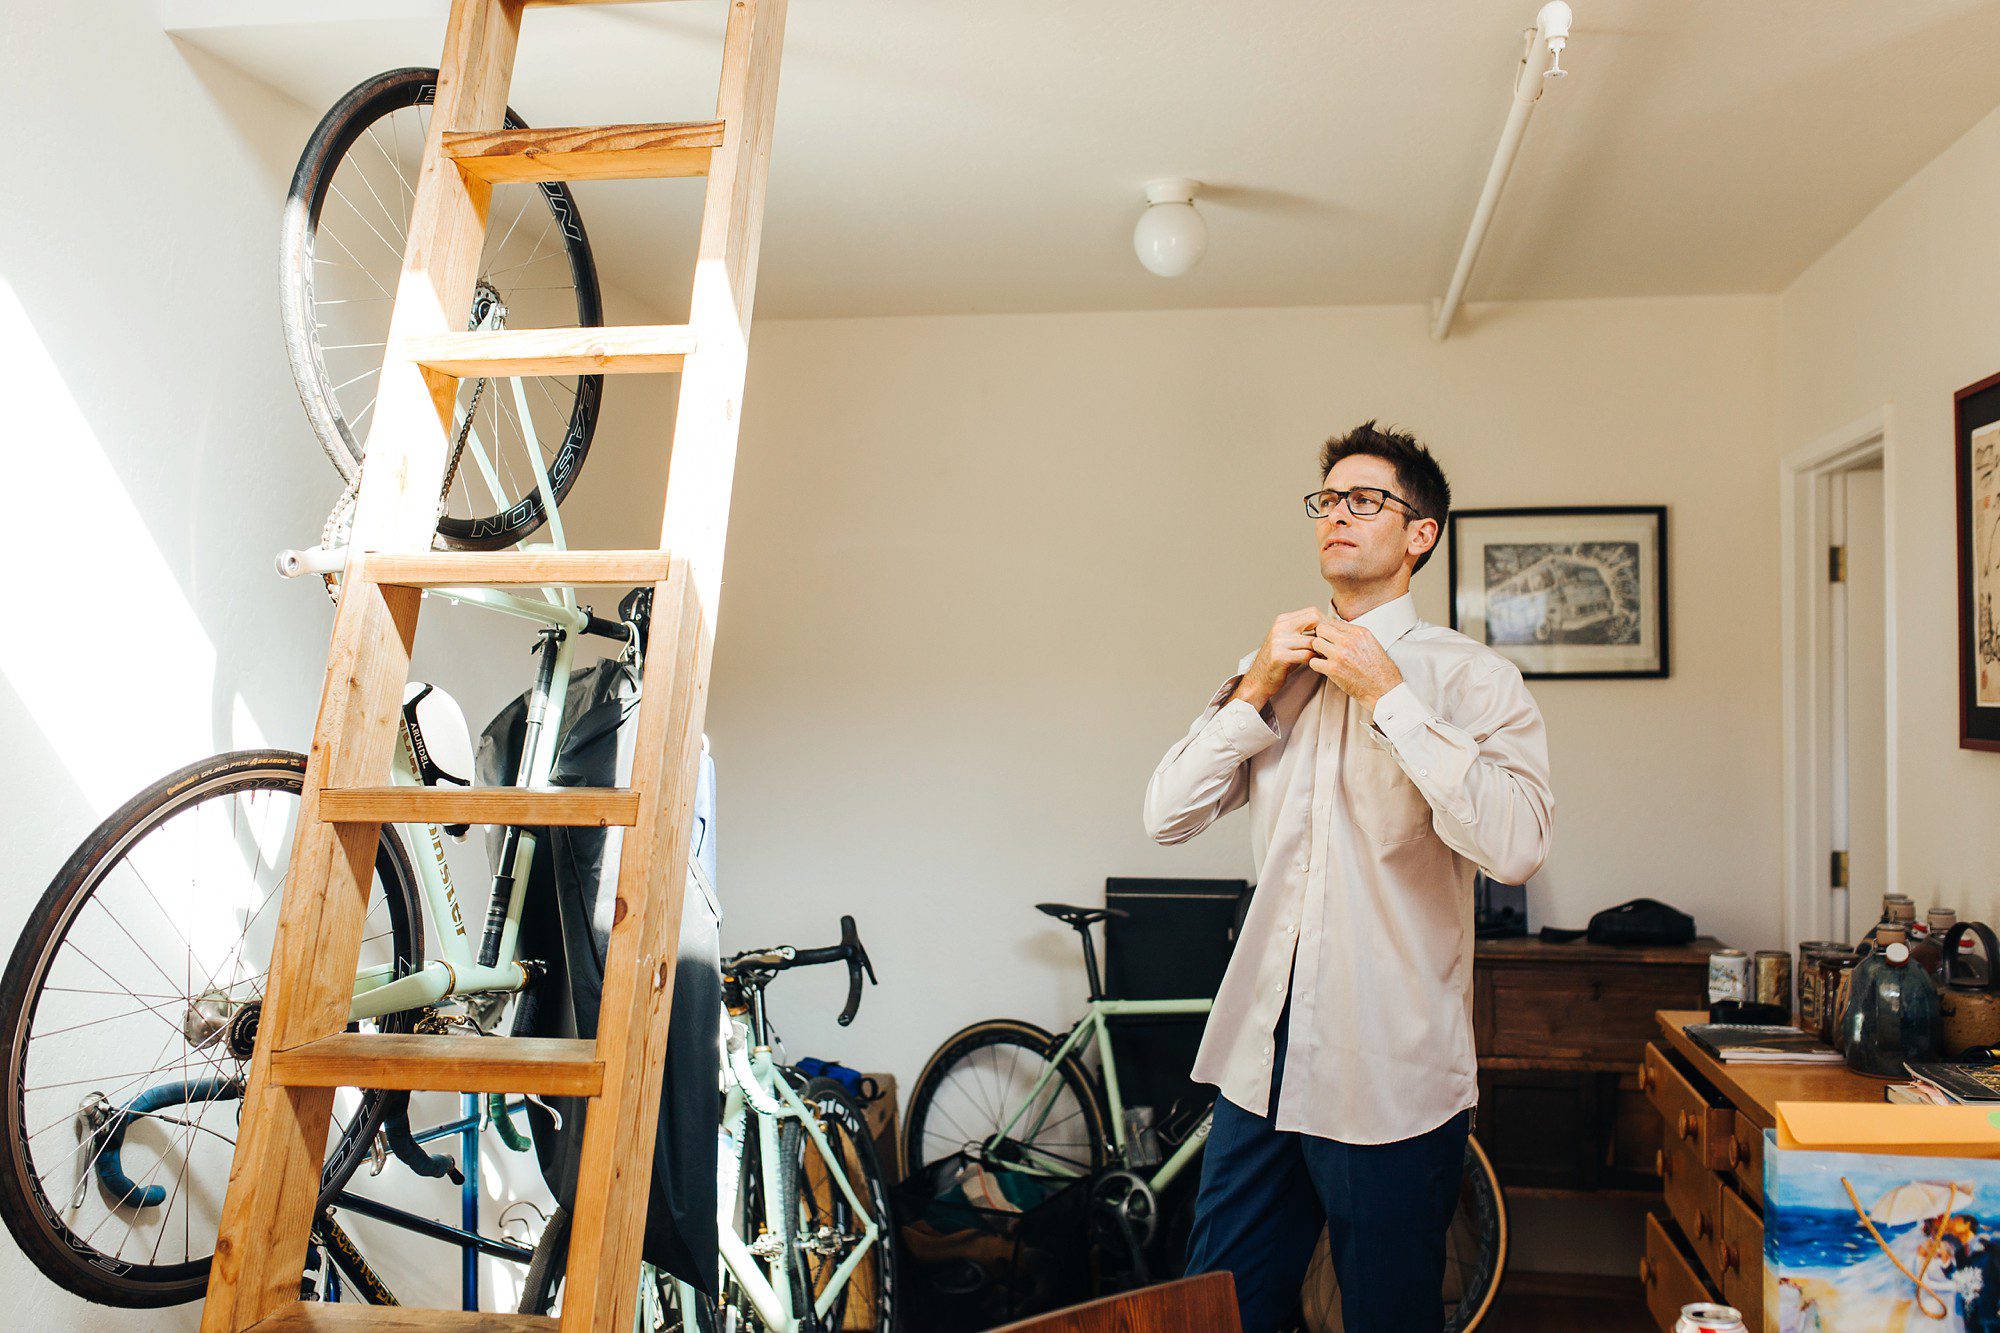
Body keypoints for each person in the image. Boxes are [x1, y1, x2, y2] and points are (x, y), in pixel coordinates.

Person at [1143, 421, 1554, 1332]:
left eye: (1365, 499)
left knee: (1387, 1320)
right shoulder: (1273, 672)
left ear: (1420, 535)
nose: (1337, 514)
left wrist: (1389, 696)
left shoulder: (1474, 680)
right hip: (1260, 1070)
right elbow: (1166, 813)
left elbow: (1519, 844)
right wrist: (1253, 686)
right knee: (1221, 1312)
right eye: (1327, 499)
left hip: (1390, 1079)